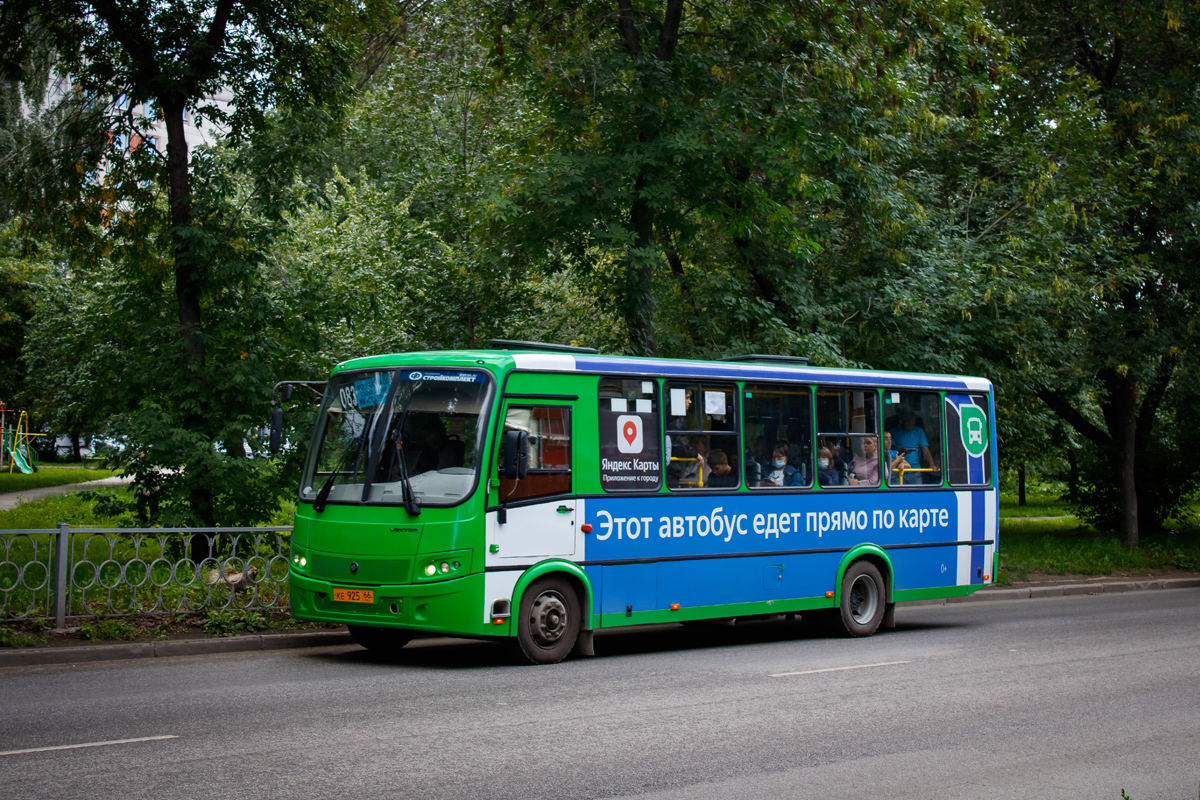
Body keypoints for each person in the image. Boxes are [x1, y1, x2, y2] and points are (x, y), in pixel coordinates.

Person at [889, 407, 934, 484]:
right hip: (898, 471)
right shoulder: (894, 431)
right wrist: (900, 452)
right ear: (902, 421)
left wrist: (932, 465)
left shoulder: (919, 431)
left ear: (914, 420)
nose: (908, 423)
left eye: (910, 421)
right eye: (906, 421)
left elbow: (925, 449)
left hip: (915, 472)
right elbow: (889, 450)